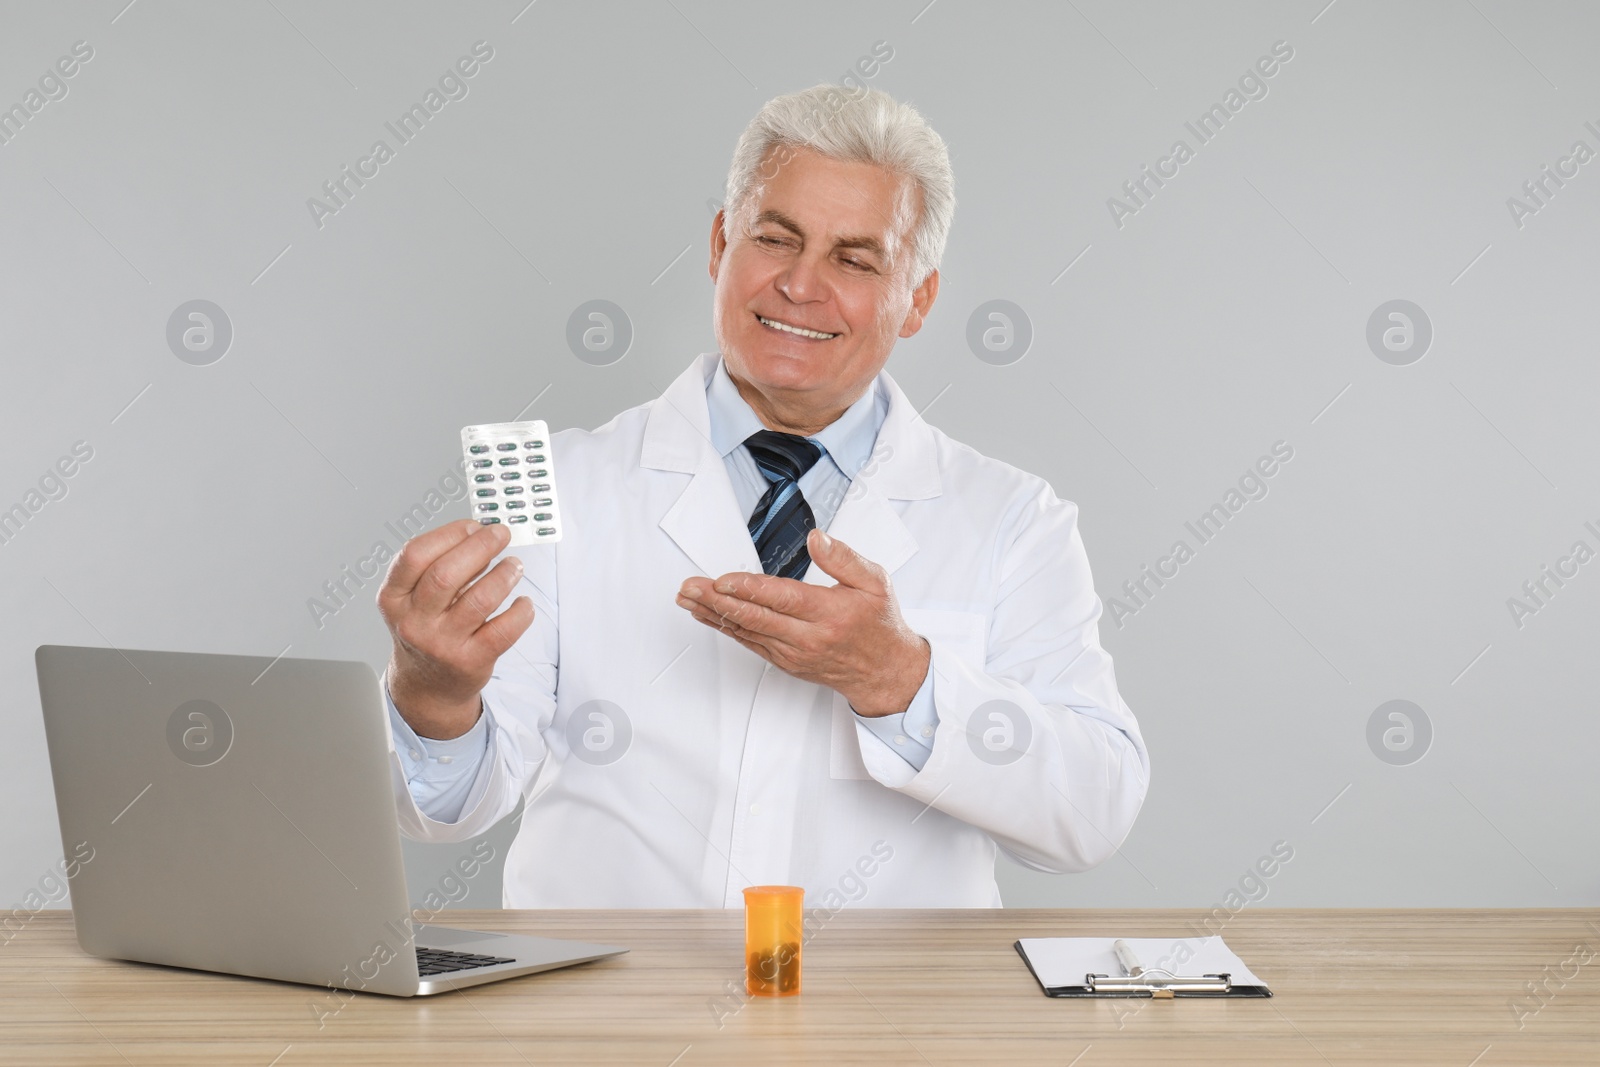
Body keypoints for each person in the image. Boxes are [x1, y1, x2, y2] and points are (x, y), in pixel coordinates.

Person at [377, 84, 1149, 908]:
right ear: (719, 244)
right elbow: (453, 808)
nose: (799, 285)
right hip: (608, 1022)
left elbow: (1094, 814)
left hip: (889, 1024)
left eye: (854, 260)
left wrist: (904, 679)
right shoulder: (551, 482)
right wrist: (433, 692)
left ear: (917, 299)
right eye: (774, 239)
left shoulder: (1012, 519)